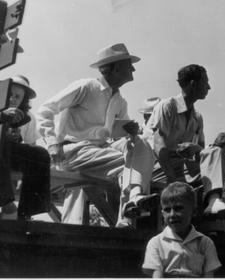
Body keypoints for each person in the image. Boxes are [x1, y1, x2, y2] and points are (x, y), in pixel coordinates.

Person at [36, 43, 155, 228]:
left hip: (100, 150)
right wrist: (52, 143)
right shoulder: (86, 87)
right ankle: (127, 215)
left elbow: (115, 134)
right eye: (128, 64)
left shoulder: (120, 100)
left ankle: (134, 197)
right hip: (74, 151)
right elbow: (45, 110)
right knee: (130, 163)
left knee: (141, 146)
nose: (133, 68)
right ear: (115, 68)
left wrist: (129, 130)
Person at [0, 75, 51, 220]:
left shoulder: (28, 116)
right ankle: (6, 203)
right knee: (0, 144)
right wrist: (2, 118)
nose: (12, 99)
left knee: (41, 154)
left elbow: (31, 144)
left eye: (17, 97)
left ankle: (29, 211)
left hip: (9, 154)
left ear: (23, 100)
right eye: (9, 94)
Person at [142, 182, 222, 278]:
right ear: (162, 214)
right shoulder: (156, 243)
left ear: (194, 211)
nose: (172, 214)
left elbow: (209, 278)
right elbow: (157, 278)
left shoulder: (205, 243)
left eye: (178, 208)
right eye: (167, 210)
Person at [148, 64, 210, 185]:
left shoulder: (197, 117)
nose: (208, 87)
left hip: (181, 168)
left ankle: (215, 197)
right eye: (205, 82)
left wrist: (196, 148)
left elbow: (202, 153)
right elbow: (158, 145)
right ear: (193, 84)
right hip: (158, 167)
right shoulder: (168, 106)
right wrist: (172, 178)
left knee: (214, 154)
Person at [199, 132, 225, 216]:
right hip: (206, 188)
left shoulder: (224, 159)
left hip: (219, 189)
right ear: (223, 145)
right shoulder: (208, 152)